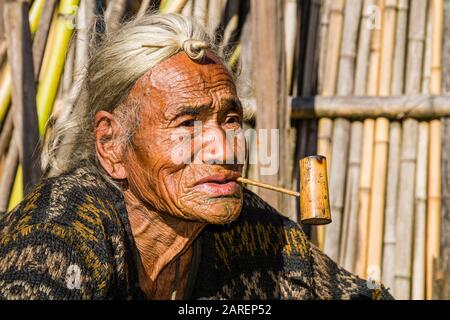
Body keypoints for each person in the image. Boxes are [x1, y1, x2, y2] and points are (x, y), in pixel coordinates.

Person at [0, 13, 393, 300]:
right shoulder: (60, 233)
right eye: (188, 124)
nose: (224, 149)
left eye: (232, 119)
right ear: (112, 144)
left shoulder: (254, 233)